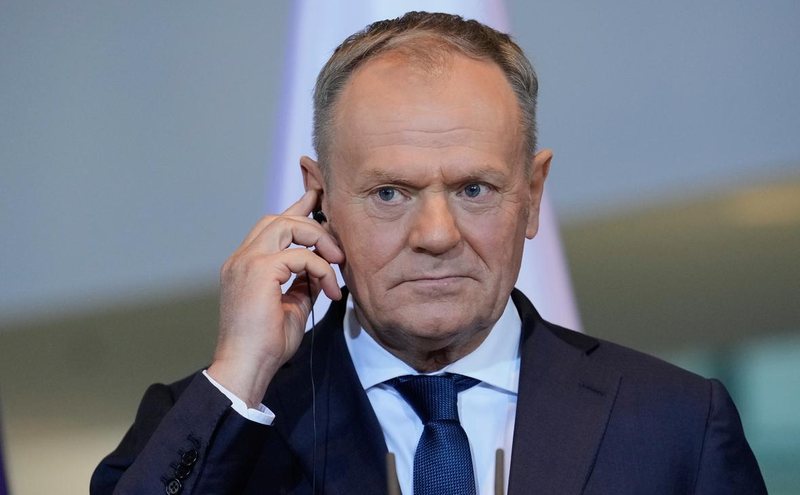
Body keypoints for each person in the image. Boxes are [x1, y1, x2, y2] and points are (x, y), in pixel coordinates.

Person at [91, 12, 766, 495]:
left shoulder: (674, 422)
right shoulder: (216, 416)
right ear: (320, 199)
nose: (437, 234)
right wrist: (242, 373)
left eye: (474, 189)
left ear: (532, 196)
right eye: (390, 193)